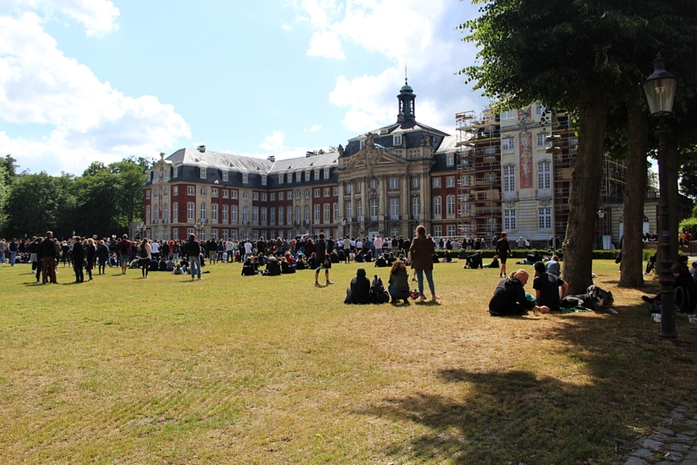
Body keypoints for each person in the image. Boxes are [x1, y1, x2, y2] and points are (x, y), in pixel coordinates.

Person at [408, 225, 438, 302]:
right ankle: (433, 295)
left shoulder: (415, 240)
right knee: (430, 279)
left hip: (418, 262)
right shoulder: (429, 240)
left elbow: (411, 250)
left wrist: (414, 256)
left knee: (420, 279)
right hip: (427, 261)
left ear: (417, 232)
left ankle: (421, 296)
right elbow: (432, 251)